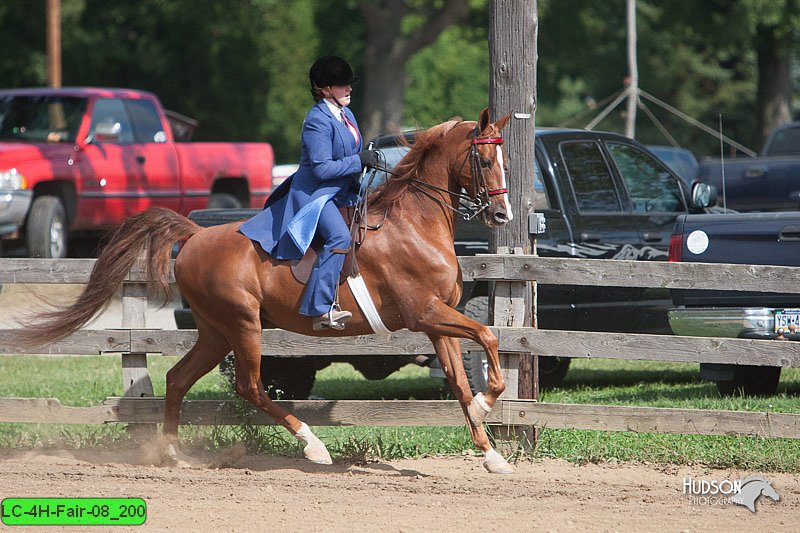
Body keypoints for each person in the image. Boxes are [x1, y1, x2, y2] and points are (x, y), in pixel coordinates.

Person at [239, 55, 378, 331]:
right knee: (339, 236)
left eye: (348, 84)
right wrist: (358, 160)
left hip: (343, 190)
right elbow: (323, 168)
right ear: (325, 90)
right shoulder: (317, 120)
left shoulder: (346, 114)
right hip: (316, 193)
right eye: (342, 85)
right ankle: (320, 309)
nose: (348, 89)